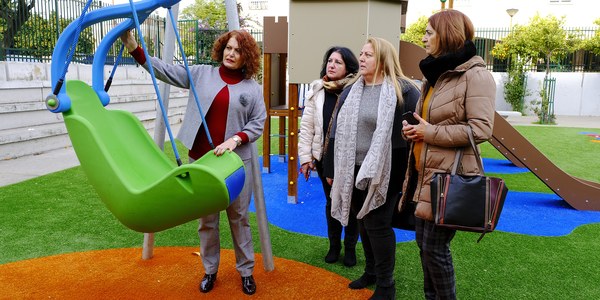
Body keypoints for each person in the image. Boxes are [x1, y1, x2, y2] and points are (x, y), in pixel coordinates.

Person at [120, 29, 266, 295]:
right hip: (201, 161)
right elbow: (164, 71)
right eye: (229, 48)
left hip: (235, 163)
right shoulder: (201, 74)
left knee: (240, 219)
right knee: (207, 220)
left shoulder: (252, 89)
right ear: (222, 49)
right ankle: (210, 270)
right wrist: (134, 49)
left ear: (247, 58)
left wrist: (236, 139)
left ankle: (246, 271)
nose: (231, 54)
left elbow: (258, 122)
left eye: (238, 51)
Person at [400, 10, 496, 300]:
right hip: (423, 172)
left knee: (434, 249)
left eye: (429, 32)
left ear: (447, 35)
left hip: (448, 177)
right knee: (425, 246)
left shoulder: (475, 75)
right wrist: (414, 130)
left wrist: (429, 134)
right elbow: (430, 122)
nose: (424, 37)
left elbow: (481, 129)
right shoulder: (435, 75)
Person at [325, 37, 420, 299]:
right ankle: (372, 272)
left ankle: (386, 285)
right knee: (363, 223)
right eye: (362, 53)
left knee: (377, 224)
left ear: (383, 59)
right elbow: (335, 130)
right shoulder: (351, 90)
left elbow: (416, 131)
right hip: (352, 169)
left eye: (369, 54)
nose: (362, 58)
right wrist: (331, 168)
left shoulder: (405, 90)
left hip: (387, 170)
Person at [299, 46, 360, 266]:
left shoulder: (355, 90)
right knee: (331, 201)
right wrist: (306, 158)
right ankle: (335, 246)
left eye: (338, 62)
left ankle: (351, 248)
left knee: (351, 203)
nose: (331, 65)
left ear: (348, 68)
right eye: (330, 61)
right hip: (323, 157)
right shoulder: (317, 90)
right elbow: (307, 127)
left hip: (349, 159)